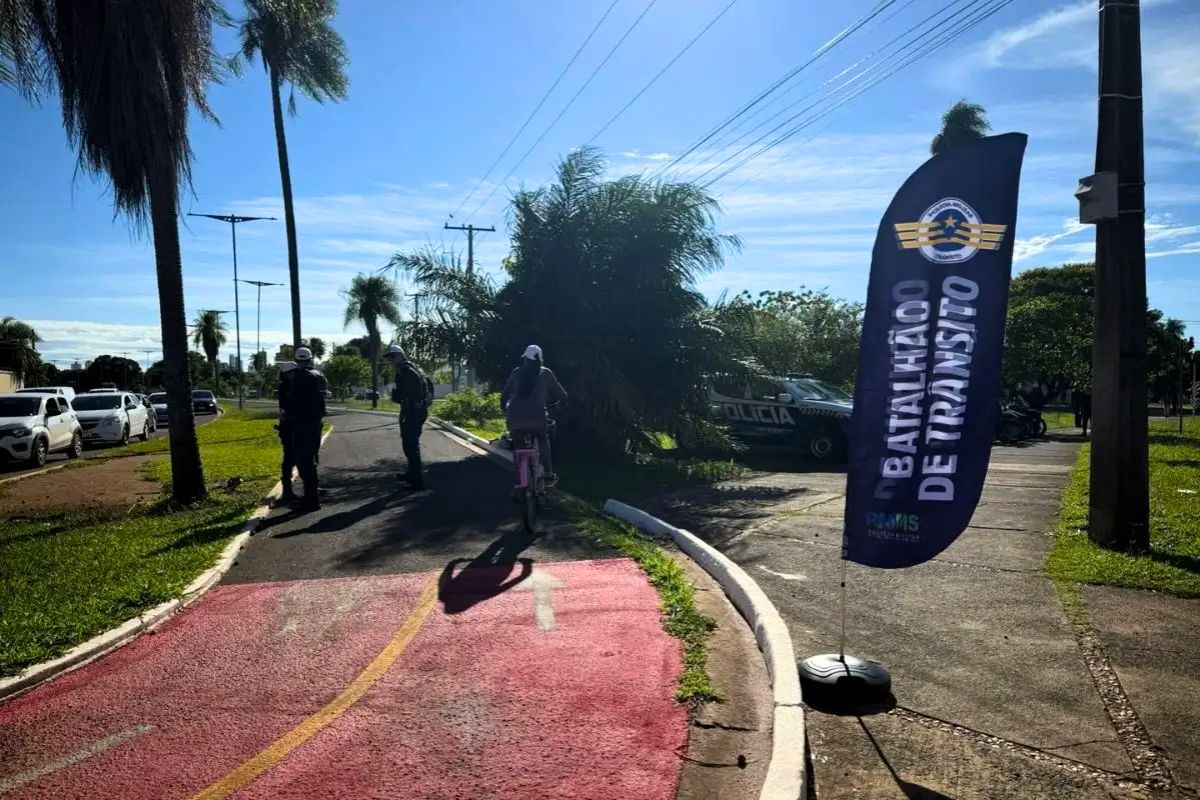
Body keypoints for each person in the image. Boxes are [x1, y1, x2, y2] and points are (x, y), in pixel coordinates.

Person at [501, 345, 567, 487]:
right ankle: (548, 473)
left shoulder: (516, 373)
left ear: (525, 359)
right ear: (540, 359)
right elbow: (562, 395)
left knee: (518, 446)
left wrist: (503, 409)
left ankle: (521, 478)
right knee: (543, 439)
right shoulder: (546, 373)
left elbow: (505, 395)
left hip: (515, 417)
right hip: (537, 417)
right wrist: (556, 405)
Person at [283, 347, 326, 511]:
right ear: (310, 359)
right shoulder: (319, 375)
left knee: (303, 461)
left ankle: (311, 499)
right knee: (311, 460)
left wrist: (289, 412)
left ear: (296, 360)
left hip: (302, 423)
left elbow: (295, 402)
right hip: (316, 422)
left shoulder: (300, 377)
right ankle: (311, 495)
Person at [384, 344, 431, 490]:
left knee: (410, 445)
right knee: (410, 443)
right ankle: (412, 473)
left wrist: (398, 396)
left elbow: (407, 393)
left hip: (412, 411)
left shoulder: (404, 370)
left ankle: (416, 480)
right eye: (389, 357)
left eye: (393, 356)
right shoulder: (414, 367)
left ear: (400, 355)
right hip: (417, 410)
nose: (391, 360)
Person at [276, 360, 299, 505]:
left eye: (294, 372)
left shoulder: (297, 385)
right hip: (288, 426)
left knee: (304, 456)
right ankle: (287, 488)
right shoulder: (284, 388)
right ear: (285, 374)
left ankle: (312, 486)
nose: (292, 375)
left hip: (299, 425)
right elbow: (287, 406)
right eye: (289, 373)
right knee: (289, 457)